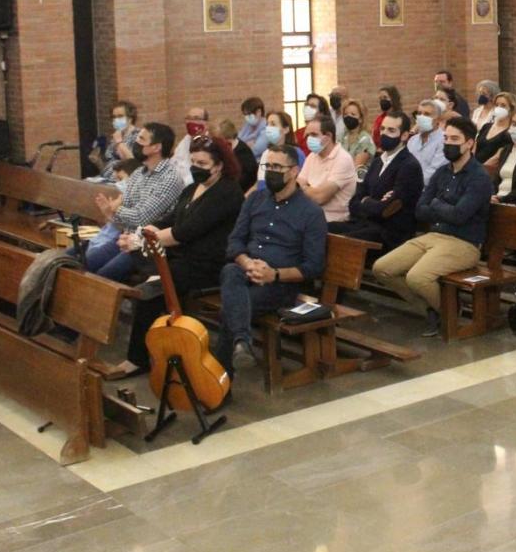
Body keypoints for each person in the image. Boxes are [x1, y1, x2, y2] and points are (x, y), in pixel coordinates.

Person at [110, 135, 245, 378]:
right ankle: (162, 340)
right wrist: (143, 232)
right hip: (181, 257)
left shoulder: (228, 192)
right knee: (140, 265)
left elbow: (186, 231)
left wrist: (141, 240)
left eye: (202, 164)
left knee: (148, 293)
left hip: (208, 265)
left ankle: (137, 359)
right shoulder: (193, 188)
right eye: (193, 162)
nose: (196, 168)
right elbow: (170, 220)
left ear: (220, 165)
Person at [373, 116, 492, 337]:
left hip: (464, 243)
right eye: (446, 138)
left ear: (469, 144)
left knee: (417, 277)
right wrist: (442, 208)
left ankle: (449, 312)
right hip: (434, 235)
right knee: (382, 268)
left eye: (455, 139)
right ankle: (434, 309)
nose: (448, 143)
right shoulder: (442, 172)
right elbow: (420, 209)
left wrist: (436, 204)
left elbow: (459, 216)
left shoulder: (479, 177)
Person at [216, 144, 327, 374]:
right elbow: (234, 242)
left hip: (280, 283)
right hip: (246, 271)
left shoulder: (311, 212)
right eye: (268, 166)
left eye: (278, 166)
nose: (271, 171)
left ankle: (221, 380)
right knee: (230, 271)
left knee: (231, 309)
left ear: (294, 171)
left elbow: (313, 266)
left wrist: (273, 274)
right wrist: (247, 263)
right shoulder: (255, 200)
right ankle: (241, 343)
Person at [84, 123, 187, 278]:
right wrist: (110, 214)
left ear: (156, 147)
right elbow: (126, 219)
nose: (136, 143)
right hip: (125, 237)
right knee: (81, 264)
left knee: (103, 276)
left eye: (141, 139)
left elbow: (141, 218)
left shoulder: (169, 178)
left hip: (147, 247)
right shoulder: (139, 173)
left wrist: (116, 209)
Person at [331, 110, 424, 254]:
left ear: (404, 135)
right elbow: (354, 202)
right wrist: (371, 203)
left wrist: (366, 201)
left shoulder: (409, 166)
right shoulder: (377, 162)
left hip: (389, 234)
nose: (384, 134)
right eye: (382, 129)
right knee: (324, 229)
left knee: (342, 242)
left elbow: (386, 210)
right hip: (365, 224)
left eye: (391, 130)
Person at [296, 113, 358, 223]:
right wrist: (310, 190)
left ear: (328, 136)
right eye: (308, 135)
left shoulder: (343, 159)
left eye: (314, 135)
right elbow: (296, 186)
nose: (309, 139)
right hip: (310, 216)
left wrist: (304, 188)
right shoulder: (312, 156)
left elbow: (320, 197)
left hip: (333, 221)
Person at [90, 100, 141, 179]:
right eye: (114, 117)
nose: (116, 120)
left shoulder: (138, 136)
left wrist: (119, 142)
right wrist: (98, 161)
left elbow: (135, 163)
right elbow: (109, 164)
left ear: (130, 118)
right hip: (107, 178)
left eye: (120, 116)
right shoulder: (116, 136)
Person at [407, 100, 449, 184]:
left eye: (427, 114)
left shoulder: (444, 140)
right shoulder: (412, 141)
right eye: (419, 113)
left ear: (438, 119)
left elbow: (434, 172)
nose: (422, 117)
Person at [338, 99, 377, 180]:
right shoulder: (340, 137)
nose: (348, 117)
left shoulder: (365, 140)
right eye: (345, 114)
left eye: (353, 114)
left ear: (360, 119)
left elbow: (356, 166)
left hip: (357, 180)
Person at [475, 91, 516, 163]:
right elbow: (475, 146)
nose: (499, 108)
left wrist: (480, 168)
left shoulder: (510, 132)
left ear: (511, 108)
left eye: (503, 105)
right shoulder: (486, 126)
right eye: (497, 105)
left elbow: (497, 157)